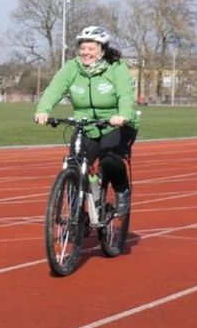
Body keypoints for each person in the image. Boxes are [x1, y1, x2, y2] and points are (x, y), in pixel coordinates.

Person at [34, 25, 138, 214]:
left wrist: (122, 115)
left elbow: (125, 94)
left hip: (114, 125)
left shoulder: (116, 67)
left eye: (91, 48)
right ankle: (77, 211)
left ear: (102, 50)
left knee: (109, 160)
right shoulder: (72, 68)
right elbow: (55, 88)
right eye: (83, 48)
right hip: (86, 124)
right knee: (75, 163)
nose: (86, 52)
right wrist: (43, 110)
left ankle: (122, 190)